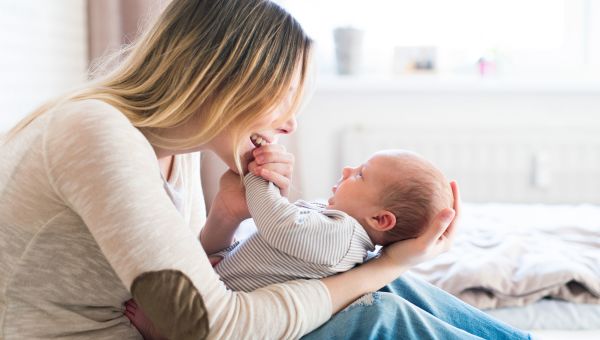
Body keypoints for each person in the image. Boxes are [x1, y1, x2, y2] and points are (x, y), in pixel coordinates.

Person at [0, 0, 529, 339]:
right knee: (374, 311)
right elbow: (210, 324)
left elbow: (181, 277)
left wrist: (225, 219)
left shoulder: (170, 147)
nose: (292, 124)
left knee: (379, 292)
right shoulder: (95, 133)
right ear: (225, 81)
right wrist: (387, 265)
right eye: (283, 100)